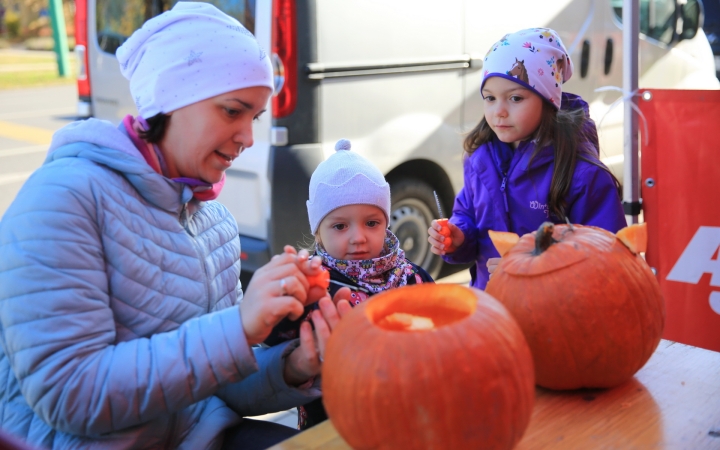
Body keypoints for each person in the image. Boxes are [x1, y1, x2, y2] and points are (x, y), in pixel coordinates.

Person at [0, 3, 351, 449]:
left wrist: (296, 363)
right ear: (170, 100)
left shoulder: (215, 221)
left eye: (254, 117)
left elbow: (217, 385)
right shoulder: (63, 200)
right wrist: (240, 327)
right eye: (231, 111)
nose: (247, 136)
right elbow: (70, 395)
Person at [428, 28, 625, 290]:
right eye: (490, 98)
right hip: (491, 311)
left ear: (548, 100)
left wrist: (535, 268)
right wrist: (458, 236)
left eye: (515, 98)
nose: (499, 111)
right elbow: (467, 216)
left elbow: (608, 259)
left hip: (554, 316)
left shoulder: (583, 175)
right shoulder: (480, 161)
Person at [265, 139, 434, 429]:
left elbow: (442, 336)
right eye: (340, 226)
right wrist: (283, 296)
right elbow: (273, 342)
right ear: (318, 233)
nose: (358, 237)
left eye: (372, 223)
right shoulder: (313, 286)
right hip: (333, 424)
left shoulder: (412, 277)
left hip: (408, 414)